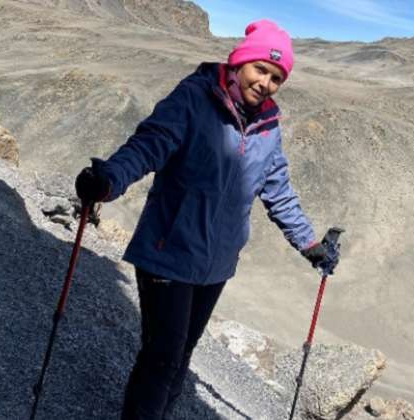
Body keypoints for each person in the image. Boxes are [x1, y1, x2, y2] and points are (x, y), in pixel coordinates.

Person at [75, 19, 338, 420]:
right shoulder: (194, 98)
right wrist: (109, 181)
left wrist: (310, 246)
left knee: (181, 354)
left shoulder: (268, 126)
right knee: (163, 355)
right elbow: (150, 144)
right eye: (260, 69)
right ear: (238, 63)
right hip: (168, 251)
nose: (266, 83)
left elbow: (278, 190)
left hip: (216, 263)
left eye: (277, 77)